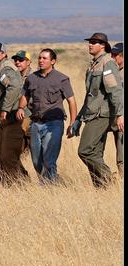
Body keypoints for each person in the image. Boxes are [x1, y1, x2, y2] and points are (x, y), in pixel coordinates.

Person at [15, 48, 77, 184]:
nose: (41, 61)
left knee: (49, 159)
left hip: (54, 124)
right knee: (37, 160)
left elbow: (71, 101)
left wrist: (73, 123)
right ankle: (57, 182)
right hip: (36, 124)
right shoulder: (31, 78)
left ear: (53, 61)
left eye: (45, 58)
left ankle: (50, 189)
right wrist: (20, 108)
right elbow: (25, 95)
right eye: (39, 58)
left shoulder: (62, 79)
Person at [71, 33, 124, 188]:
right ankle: (101, 189)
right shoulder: (93, 64)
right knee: (95, 153)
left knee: (85, 150)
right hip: (92, 113)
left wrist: (120, 114)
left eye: (94, 42)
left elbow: (115, 90)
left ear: (103, 46)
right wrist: (79, 118)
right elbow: (90, 96)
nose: (90, 44)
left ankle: (109, 179)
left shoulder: (107, 63)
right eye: (90, 42)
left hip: (102, 114)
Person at [0, 42, 29, 185]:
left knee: (7, 156)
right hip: (7, 120)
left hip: (13, 117)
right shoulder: (0, 68)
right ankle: (9, 185)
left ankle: (17, 187)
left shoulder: (5, 69)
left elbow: (14, 86)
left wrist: (4, 109)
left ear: (4, 54)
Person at [12, 50, 33, 153]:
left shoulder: (34, 77)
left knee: (32, 146)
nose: (17, 62)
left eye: (21, 60)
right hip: (20, 115)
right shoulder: (15, 76)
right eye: (16, 60)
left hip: (31, 116)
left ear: (28, 62)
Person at [110, 42, 124, 178]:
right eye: (111, 55)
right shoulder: (114, 72)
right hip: (116, 119)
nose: (112, 58)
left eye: (115, 55)